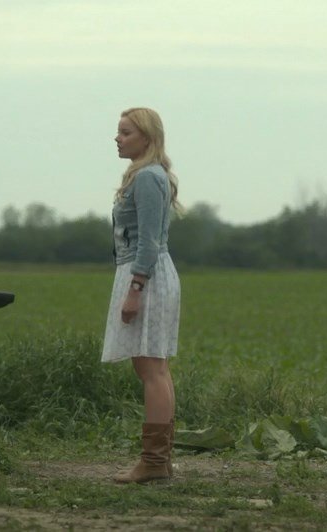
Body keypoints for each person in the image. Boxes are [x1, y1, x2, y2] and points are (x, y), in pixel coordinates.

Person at [102, 107, 184, 484]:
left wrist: (135, 289)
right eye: (119, 132)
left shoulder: (148, 177)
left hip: (145, 276)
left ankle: (153, 462)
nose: (117, 138)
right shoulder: (147, 174)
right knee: (153, 368)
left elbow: (148, 242)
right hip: (146, 273)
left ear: (147, 138)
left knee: (152, 369)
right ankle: (158, 462)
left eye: (126, 132)